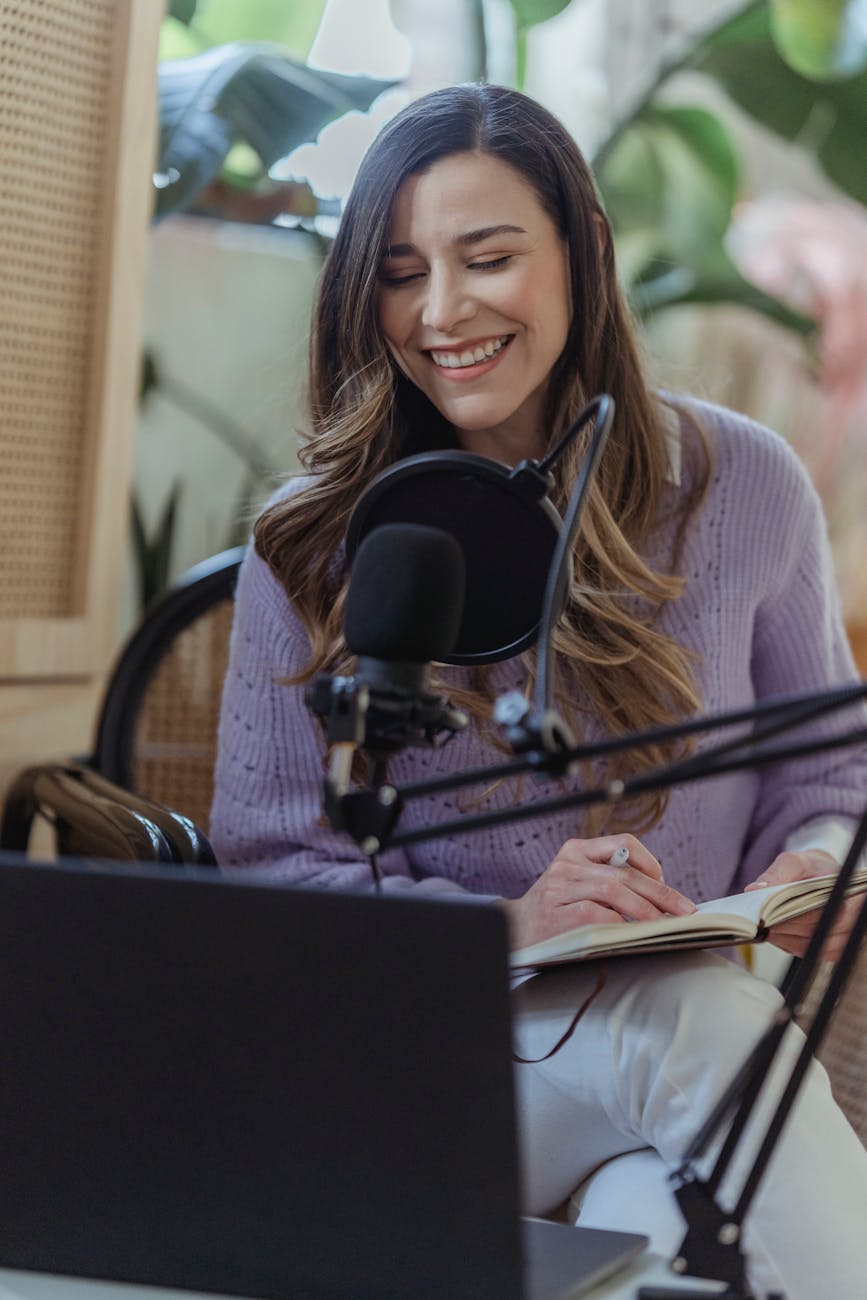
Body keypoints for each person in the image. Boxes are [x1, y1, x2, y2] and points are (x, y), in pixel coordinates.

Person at [211, 84, 867, 1296]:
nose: (442, 311)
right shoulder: (309, 543)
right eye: (402, 271)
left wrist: (812, 866)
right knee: (694, 1018)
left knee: (667, 1247)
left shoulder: (746, 485)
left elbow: (830, 769)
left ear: (586, 248)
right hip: (423, 1077)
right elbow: (266, 867)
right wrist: (515, 927)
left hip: (647, 1096)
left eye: (489, 256)